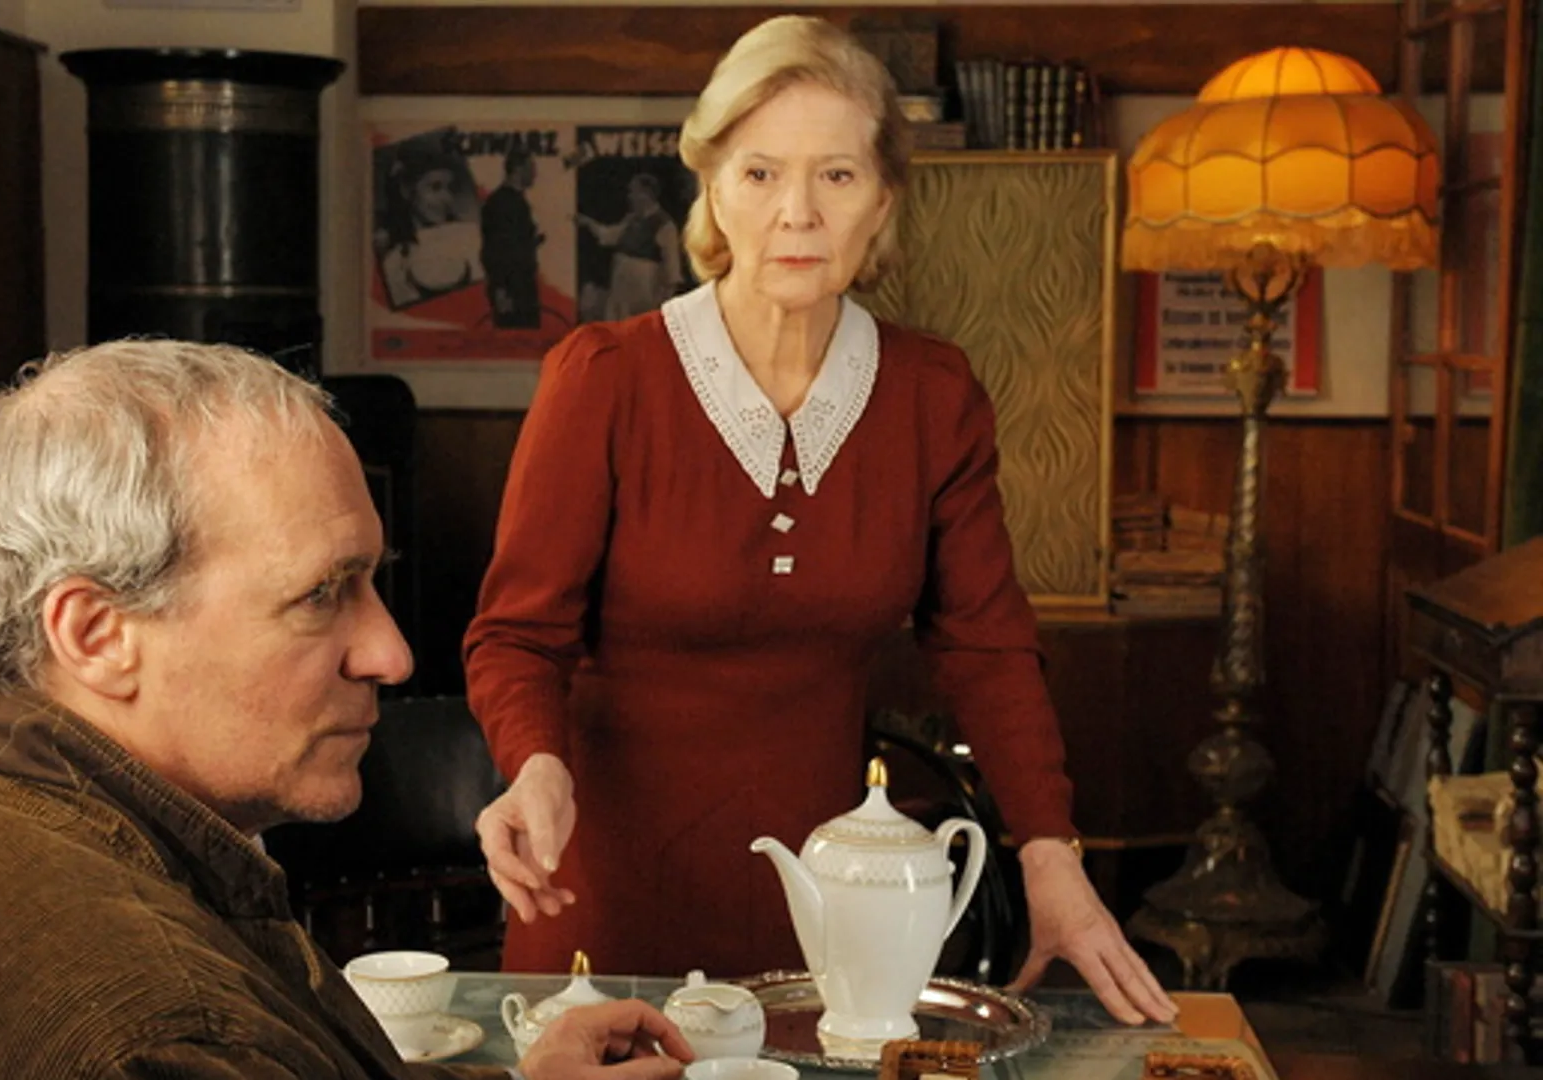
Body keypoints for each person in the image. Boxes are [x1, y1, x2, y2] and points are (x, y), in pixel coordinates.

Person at [463, 15, 1179, 1027]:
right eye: (760, 174)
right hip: (597, 898)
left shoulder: (933, 394)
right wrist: (534, 765)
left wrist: (1051, 857)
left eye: (836, 176)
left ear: (882, 200)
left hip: (828, 917)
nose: (797, 213)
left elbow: (988, 649)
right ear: (713, 189)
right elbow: (516, 636)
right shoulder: (605, 379)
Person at [0, 340, 694, 1080]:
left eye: (371, 583)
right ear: (97, 634)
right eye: (322, 594)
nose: (391, 654)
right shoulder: (164, 1031)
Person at [379, 143, 485, 309]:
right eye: (435, 187)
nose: (447, 198)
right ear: (406, 191)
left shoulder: (471, 236)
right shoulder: (394, 262)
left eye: (450, 188)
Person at [575, 173, 682, 319]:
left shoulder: (664, 224)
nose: (630, 196)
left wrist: (664, 299)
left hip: (645, 288)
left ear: (646, 194)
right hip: (622, 286)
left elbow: (672, 264)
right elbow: (610, 235)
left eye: (633, 191)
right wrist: (588, 223)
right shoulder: (631, 219)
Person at [482, 147, 545, 329]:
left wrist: (532, 243)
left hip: (522, 286)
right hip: (512, 290)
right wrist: (501, 290)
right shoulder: (501, 203)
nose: (535, 174)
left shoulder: (514, 201)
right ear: (518, 169)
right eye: (531, 168)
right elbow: (494, 250)